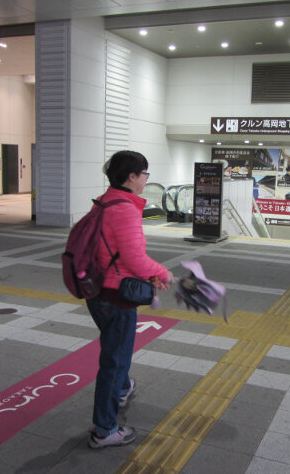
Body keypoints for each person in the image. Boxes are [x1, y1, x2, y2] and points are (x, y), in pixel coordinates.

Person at [87, 150, 174, 449]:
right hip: (116, 296)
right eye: (144, 174)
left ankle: (123, 388)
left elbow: (115, 252)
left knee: (116, 351)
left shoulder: (105, 200)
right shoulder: (123, 208)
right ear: (132, 177)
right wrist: (162, 272)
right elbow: (135, 258)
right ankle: (104, 429)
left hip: (98, 291)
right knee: (114, 361)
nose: (147, 179)